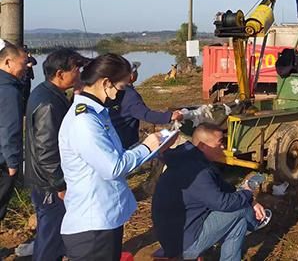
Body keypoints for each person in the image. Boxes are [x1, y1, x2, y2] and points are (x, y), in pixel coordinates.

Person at [58, 53, 167, 261]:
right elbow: (113, 167)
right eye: (121, 88)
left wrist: (154, 147)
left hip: (104, 219)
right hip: (92, 228)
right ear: (106, 83)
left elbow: (116, 157)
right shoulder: (85, 121)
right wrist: (147, 147)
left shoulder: (98, 114)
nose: (120, 95)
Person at [152, 123, 271, 261]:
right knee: (241, 209)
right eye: (220, 143)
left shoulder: (190, 158)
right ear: (203, 146)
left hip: (176, 230)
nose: (223, 147)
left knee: (239, 222)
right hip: (182, 243)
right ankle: (257, 222)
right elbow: (222, 203)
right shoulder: (197, 171)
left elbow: (221, 186)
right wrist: (248, 195)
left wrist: (251, 200)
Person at [24, 49, 88, 261]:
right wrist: (60, 184)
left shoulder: (49, 93)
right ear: (60, 74)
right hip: (49, 185)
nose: (79, 73)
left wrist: (76, 96)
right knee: (50, 237)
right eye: (75, 69)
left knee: (53, 234)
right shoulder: (49, 104)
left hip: (46, 181)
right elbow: (46, 151)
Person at [109, 61, 183, 149]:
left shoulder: (110, 91)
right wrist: (170, 116)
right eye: (136, 71)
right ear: (131, 76)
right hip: (124, 142)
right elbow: (146, 115)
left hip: (111, 138)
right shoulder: (130, 95)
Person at [0, 39, 28, 222]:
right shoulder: (9, 91)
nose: (26, 68)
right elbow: (10, 129)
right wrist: (12, 163)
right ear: (8, 62)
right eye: (23, 64)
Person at [21, 45, 38, 112]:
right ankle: (23, 109)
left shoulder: (28, 58)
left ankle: (25, 109)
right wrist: (26, 65)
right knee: (23, 93)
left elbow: (35, 62)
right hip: (23, 78)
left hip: (28, 78)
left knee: (27, 93)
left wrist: (30, 56)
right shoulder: (20, 58)